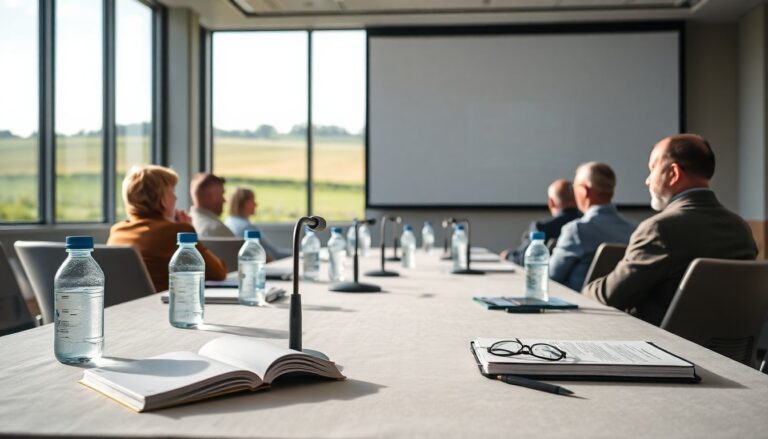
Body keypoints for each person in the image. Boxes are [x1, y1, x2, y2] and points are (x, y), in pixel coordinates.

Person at [583, 134, 758, 325]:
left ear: (673, 174)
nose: (648, 181)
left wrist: (584, 292)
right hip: (730, 354)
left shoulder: (659, 230)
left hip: (664, 351)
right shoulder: (741, 229)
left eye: (652, 169)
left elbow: (611, 297)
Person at [107, 165, 227, 292]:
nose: (176, 198)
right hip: (164, 306)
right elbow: (218, 272)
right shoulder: (178, 231)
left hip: (125, 308)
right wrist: (188, 231)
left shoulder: (117, 231)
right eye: (172, 192)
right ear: (162, 199)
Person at [549, 162, 636, 291]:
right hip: (620, 306)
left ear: (584, 191)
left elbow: (550, 276)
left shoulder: (577, 230)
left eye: (574, 187)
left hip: (579, 305)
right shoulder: (635, 230)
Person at [500, 179, 582, 265]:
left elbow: (524, 258)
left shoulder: (542, 227)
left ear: (551, 202)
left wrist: (507, 255)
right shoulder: (587, 225)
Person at [224, 187, 291, 260]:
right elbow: (274, 253)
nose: (256, 204)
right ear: (244, 204)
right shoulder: (248, 228)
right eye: (252, 201)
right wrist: (298, 254)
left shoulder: (228, 221)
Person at [189, 173, 233, 237]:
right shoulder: (216, 229)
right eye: (221, 194)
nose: (224, 201)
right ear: (208, 197)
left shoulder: (185, 225)